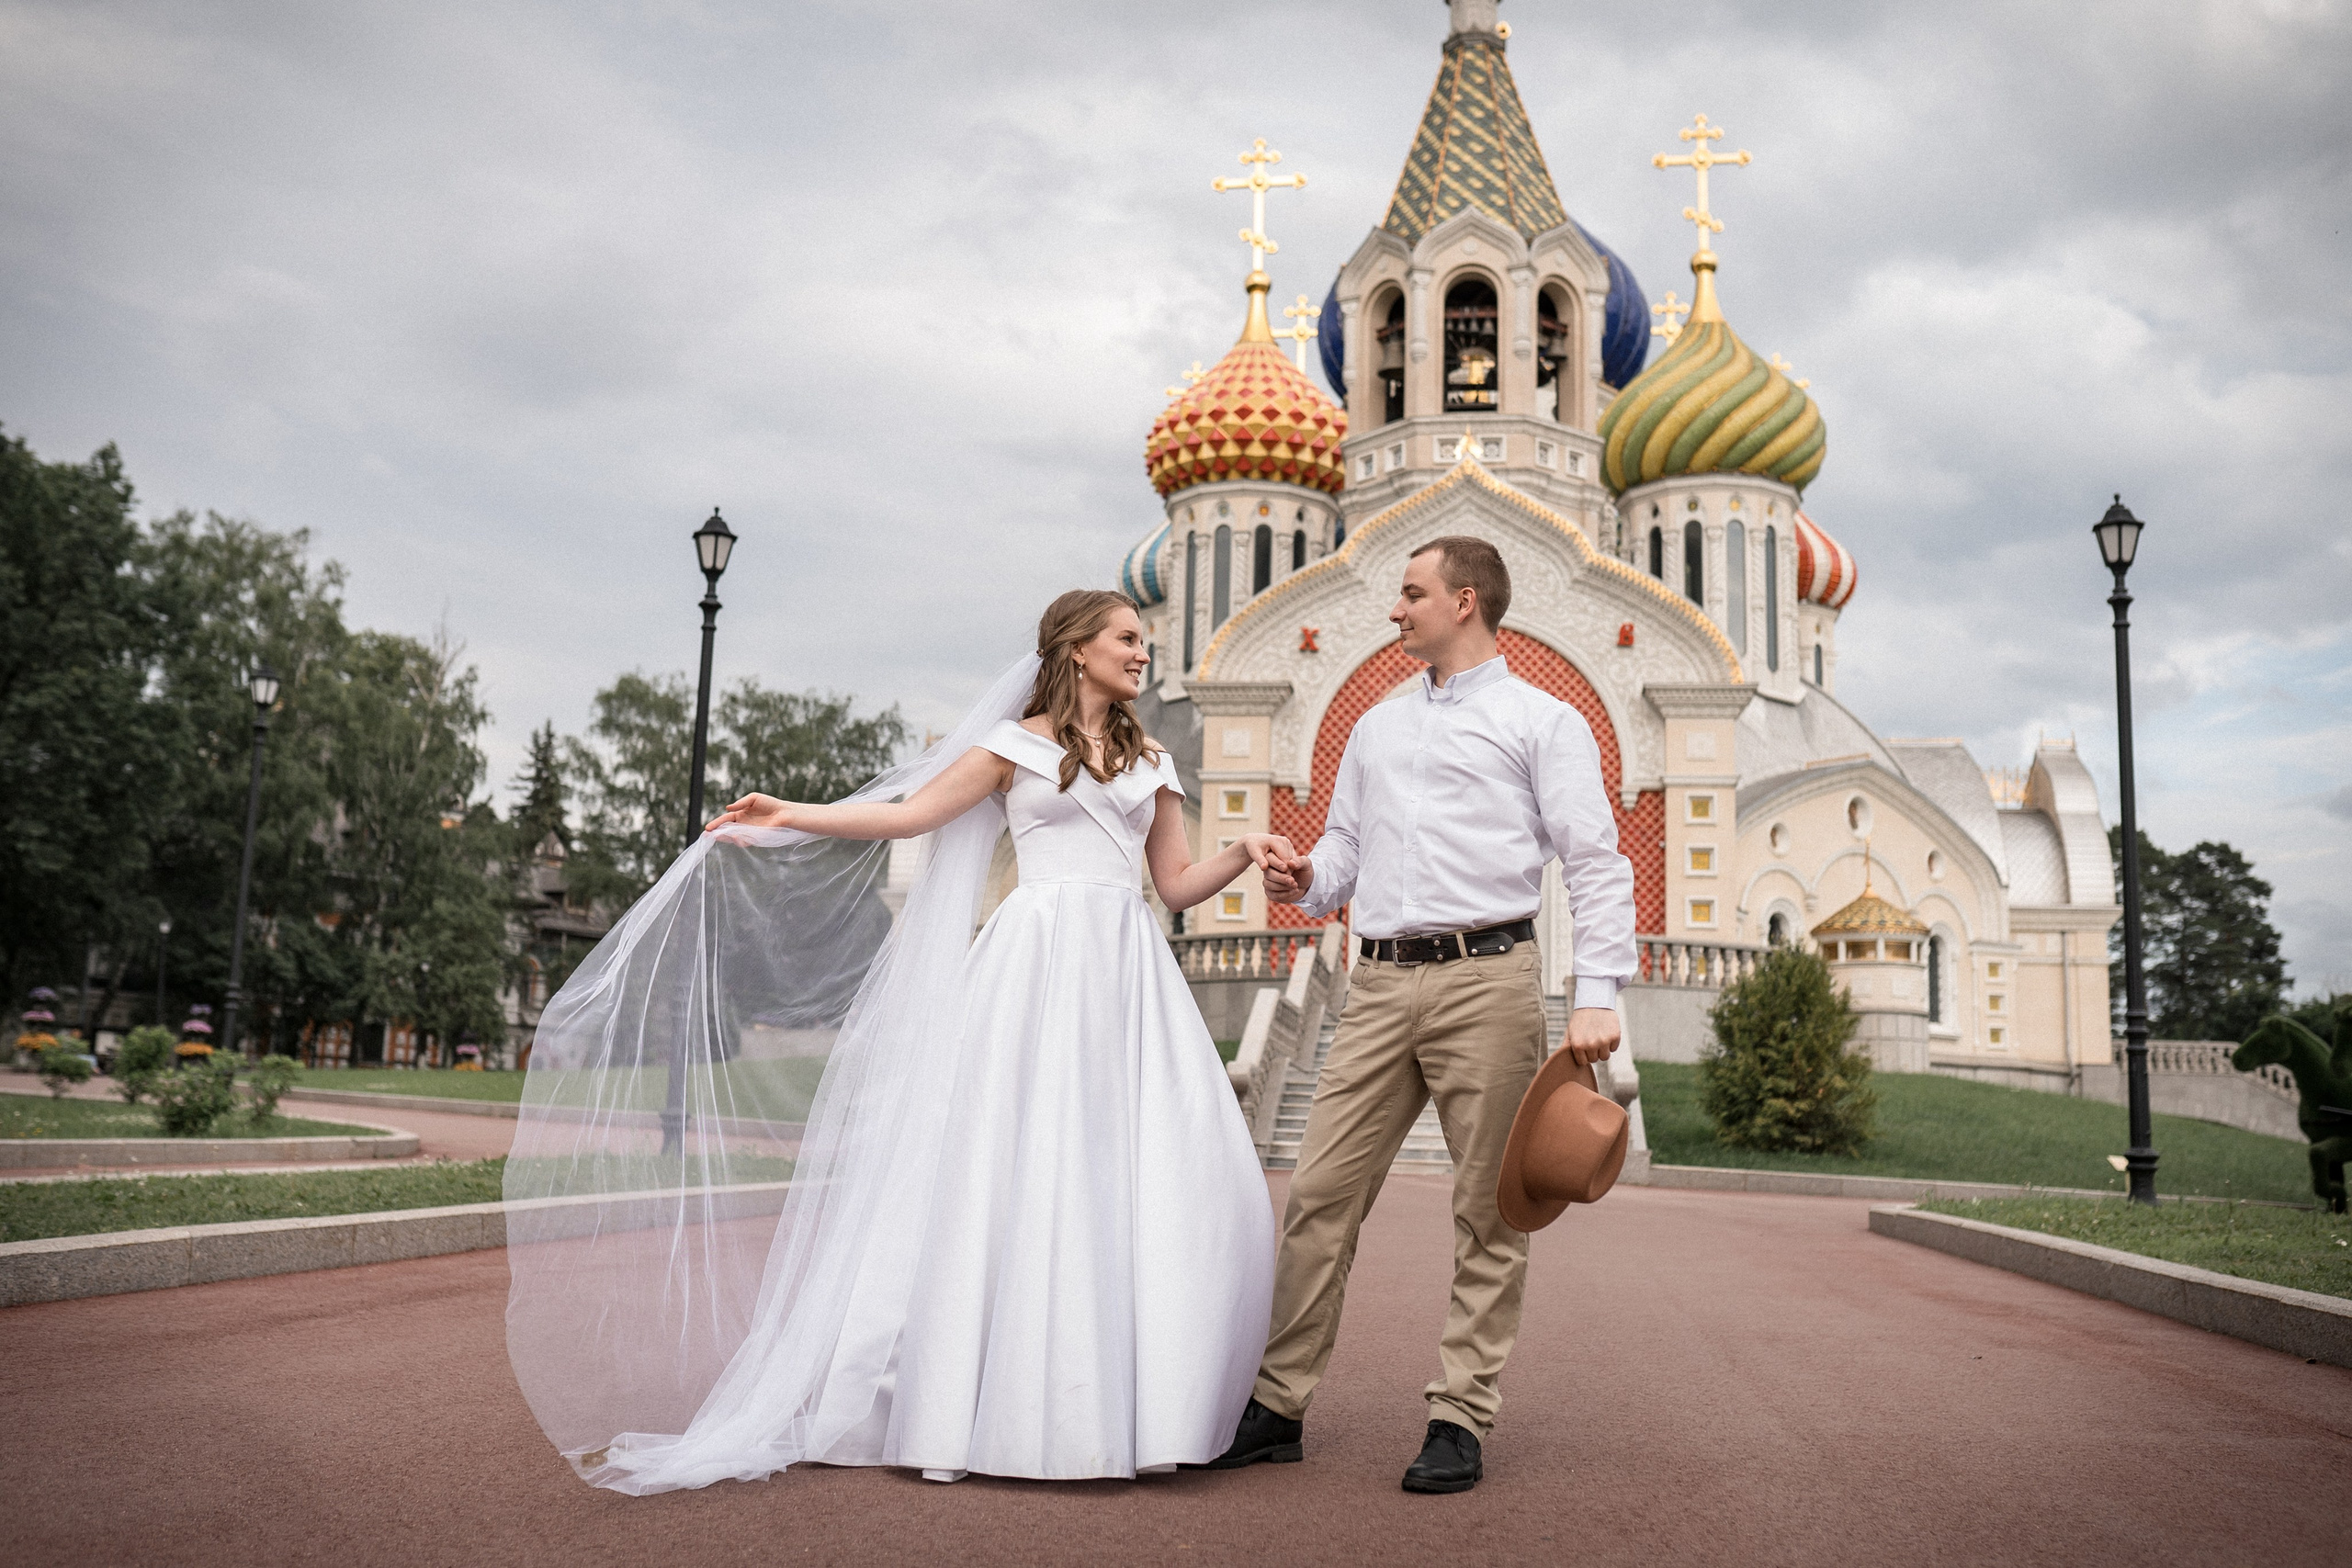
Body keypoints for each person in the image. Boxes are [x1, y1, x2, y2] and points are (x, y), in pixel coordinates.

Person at [506, 589, 1283, 1493]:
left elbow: (1178, 884)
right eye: (1126, 639)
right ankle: (982, 1401)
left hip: (1127, 972)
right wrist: (790, 812)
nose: (1142, 653)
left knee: (1152, 1172)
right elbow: (908, 817)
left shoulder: (1152, 758)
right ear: (1076, 649)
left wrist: (1247, 855)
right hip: (1034, 968)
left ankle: (1123, 1401)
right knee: (1012, 1164)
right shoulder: (1012, 748)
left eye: (1142, 642)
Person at [1202, 536, 1636, 1494]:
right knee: (1319, 1194)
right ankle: (1277, 1404)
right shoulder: (1376, 728)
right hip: (1378, 980)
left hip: (1489, 977)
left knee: (1488, 1209)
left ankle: (1459, 1414)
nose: (1395, 610)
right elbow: (1344, 857)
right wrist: (1306, 874)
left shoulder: (1544, 722)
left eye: (1410, 594)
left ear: (1465, 601)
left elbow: (1598, 862)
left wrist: (1596, 994)